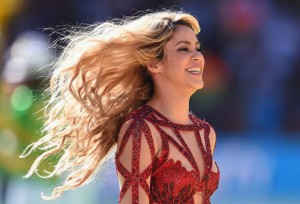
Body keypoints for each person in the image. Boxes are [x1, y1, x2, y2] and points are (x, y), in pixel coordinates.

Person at [21, 9, 220, 203]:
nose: (198, 56)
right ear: (154, 64)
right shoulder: (142, 129)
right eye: (184, 49)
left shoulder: (205, 133)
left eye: (197, 48)